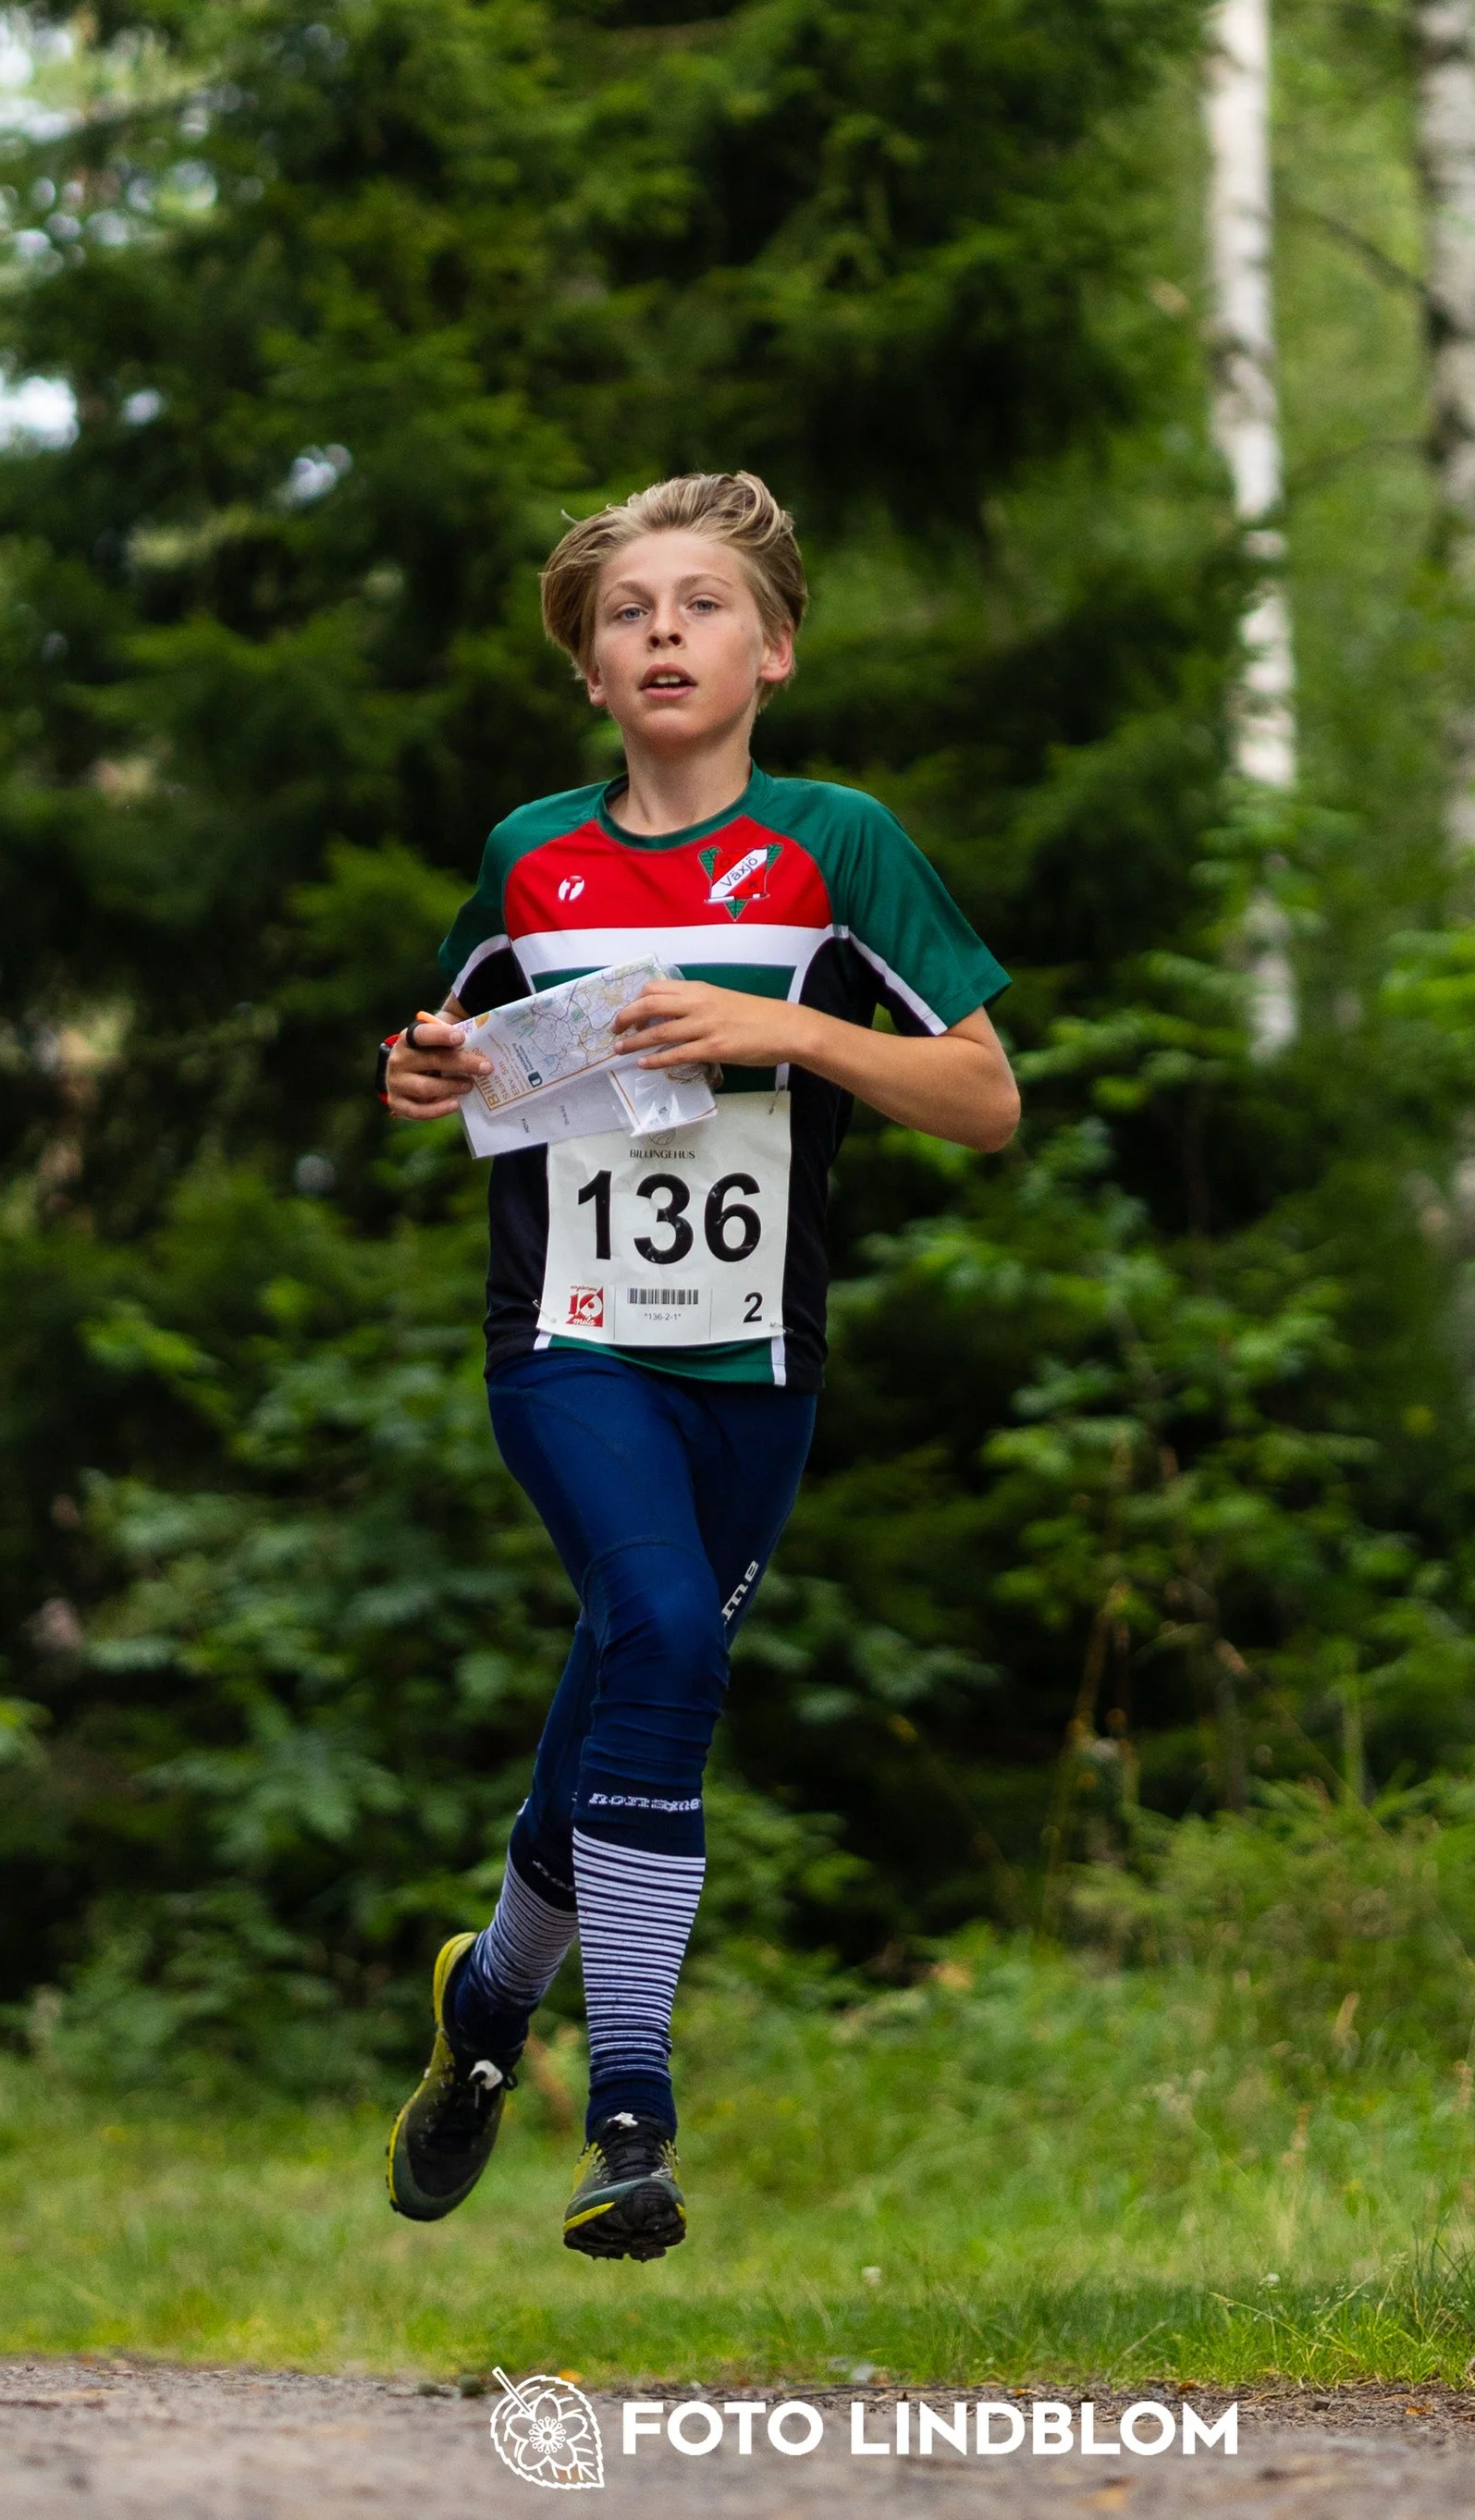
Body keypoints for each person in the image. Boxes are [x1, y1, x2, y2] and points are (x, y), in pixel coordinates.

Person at [377, 471, 1017, 2261]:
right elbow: (450, 1049)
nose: (662, 629)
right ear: (587, 666)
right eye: (626, 611)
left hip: (757, 1361)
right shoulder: (531, 852)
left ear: (772, 647)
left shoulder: (835, 842)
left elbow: (982, 1095)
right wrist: (418, 1069)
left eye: (700, 603)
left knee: (628, 1663)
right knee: (657, 1629)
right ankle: (631, 2107)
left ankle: (488, 1999)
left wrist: (782, 1024)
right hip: (565, 1343)